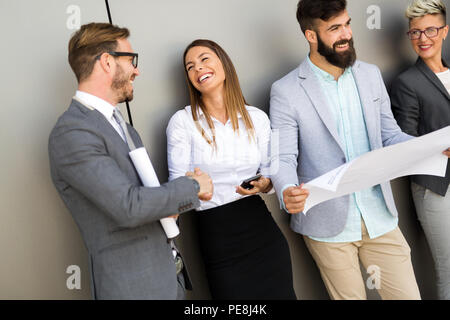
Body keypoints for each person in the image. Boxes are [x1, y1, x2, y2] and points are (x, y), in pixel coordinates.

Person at [268, 0, 445, 300]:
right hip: (327, 225)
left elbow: (390, 136)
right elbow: (282, 157)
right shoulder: (285, 91)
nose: (346, 34)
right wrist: (285, 190)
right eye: (334, 28)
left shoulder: (370, 75)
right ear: (311, 36)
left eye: (347, 24)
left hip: (379, 216)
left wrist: (432, 149)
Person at [48, 23, 213, 300]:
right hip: (134, 288)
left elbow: (141, 198)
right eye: (131, 60)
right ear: (107, 62)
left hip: (167, 279)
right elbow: (128, 206)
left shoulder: (121, 126)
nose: (137, 70)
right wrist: (191, 187)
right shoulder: (72, 132)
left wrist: (168, 207)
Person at [166, 39, 305, 299]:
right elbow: (175, 190)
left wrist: (265, 184)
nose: (198, 68)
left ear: (223, 63)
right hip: (217, 237)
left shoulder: (258, 118)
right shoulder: (181, 123)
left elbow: (271, 173)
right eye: (190, 66)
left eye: (205, 59)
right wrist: (192, 186)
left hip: (261, 230)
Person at [390, 0, 450, 299]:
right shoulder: (407, 83)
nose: (423, 38)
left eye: (430, 30)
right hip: (436, 186)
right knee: (449, 269)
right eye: (415, 33)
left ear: (445, 31)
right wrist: (441, 146)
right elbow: (404, 140)